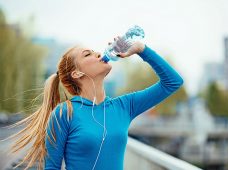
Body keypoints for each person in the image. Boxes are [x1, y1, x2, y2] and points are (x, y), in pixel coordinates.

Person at [4, 37, 184, 170]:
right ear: (76, 74)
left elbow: (173, 82)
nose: (98, 53)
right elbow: (52, 167)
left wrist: (141, 49)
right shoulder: (64, 113)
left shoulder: (124, 106)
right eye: (87, 54)